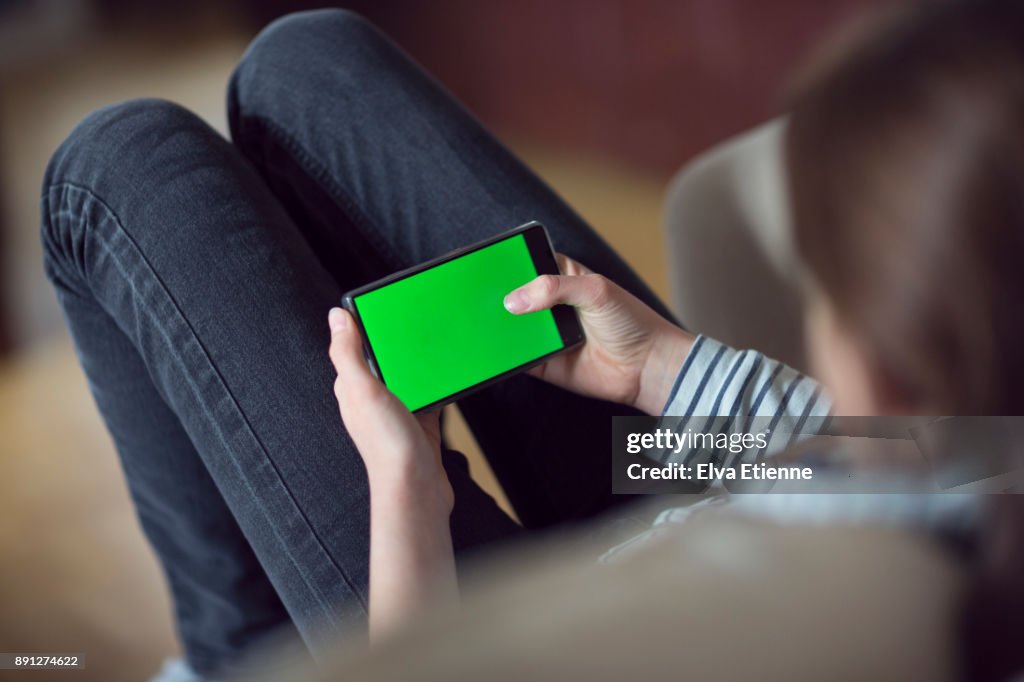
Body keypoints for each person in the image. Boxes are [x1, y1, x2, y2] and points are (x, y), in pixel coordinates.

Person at [40, 2, 1022, 681]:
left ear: (889, 349)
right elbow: (910, 458)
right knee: (304, 65)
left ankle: (240, 647)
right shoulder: (982, 481)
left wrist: (407, 497)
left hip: (445, 618)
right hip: (659, 519)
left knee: (114, 171)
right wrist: (660, 371)